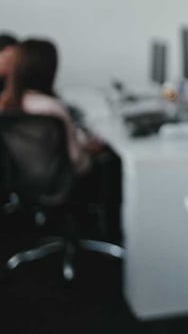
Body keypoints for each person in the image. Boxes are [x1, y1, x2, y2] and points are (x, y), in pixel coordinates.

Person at [0, 38, 123, 242]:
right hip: (66, 182)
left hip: (24, 182)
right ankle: (111, 233)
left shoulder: (6, 104)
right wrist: (90, 148)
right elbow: (75, 158)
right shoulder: (52, 107)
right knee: (113, 160)